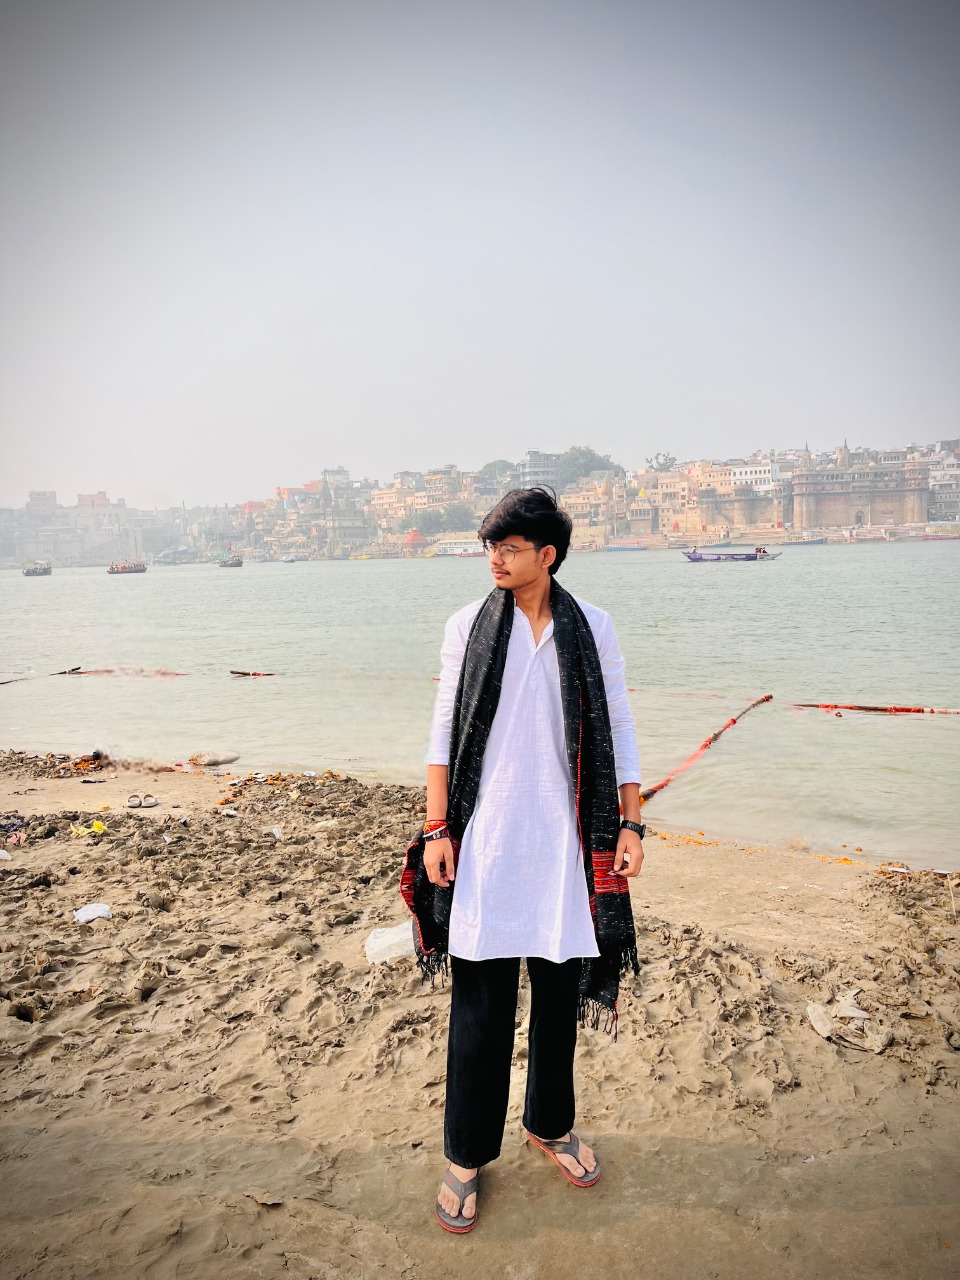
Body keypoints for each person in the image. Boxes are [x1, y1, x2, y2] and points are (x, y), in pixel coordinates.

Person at [400, 487, 644, 1234]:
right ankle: (466, 1156)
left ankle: (550, 1125)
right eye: (490, 548)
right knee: (480, 1010)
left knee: (559, 1000)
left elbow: (619, 726)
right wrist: (437, 829)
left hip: (567, 845)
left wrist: (631, 823)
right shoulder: (467, 627)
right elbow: (442, 733)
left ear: (548, 554)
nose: (495, 560)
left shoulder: (591, 627)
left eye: (508, 548)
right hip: (488, 841)